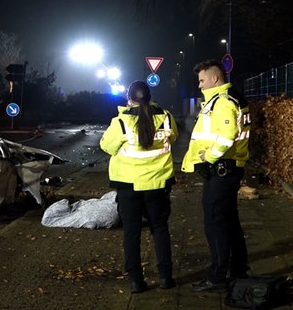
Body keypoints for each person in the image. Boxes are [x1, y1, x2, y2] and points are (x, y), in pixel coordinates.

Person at [100, 80, 178, 293]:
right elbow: (175, 137)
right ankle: (165, 277)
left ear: (129, 98)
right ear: (150, 97)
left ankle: (136, 281)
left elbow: (106, 146)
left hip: (128, 186)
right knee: (160, 230)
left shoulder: (121, 122)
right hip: (158, 184)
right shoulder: (166, 118)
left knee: (131, 234)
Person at [181, 59, 251, 292]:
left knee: (215, 224)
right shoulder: (232, 97)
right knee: (230, 221)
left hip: (221, 171)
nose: (199, 86)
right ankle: (238, 268)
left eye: (202, 80)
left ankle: (217, 276)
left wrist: (208, 157)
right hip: (230, 169)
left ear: (215, 78)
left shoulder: (222, 102)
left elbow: (226, 136)